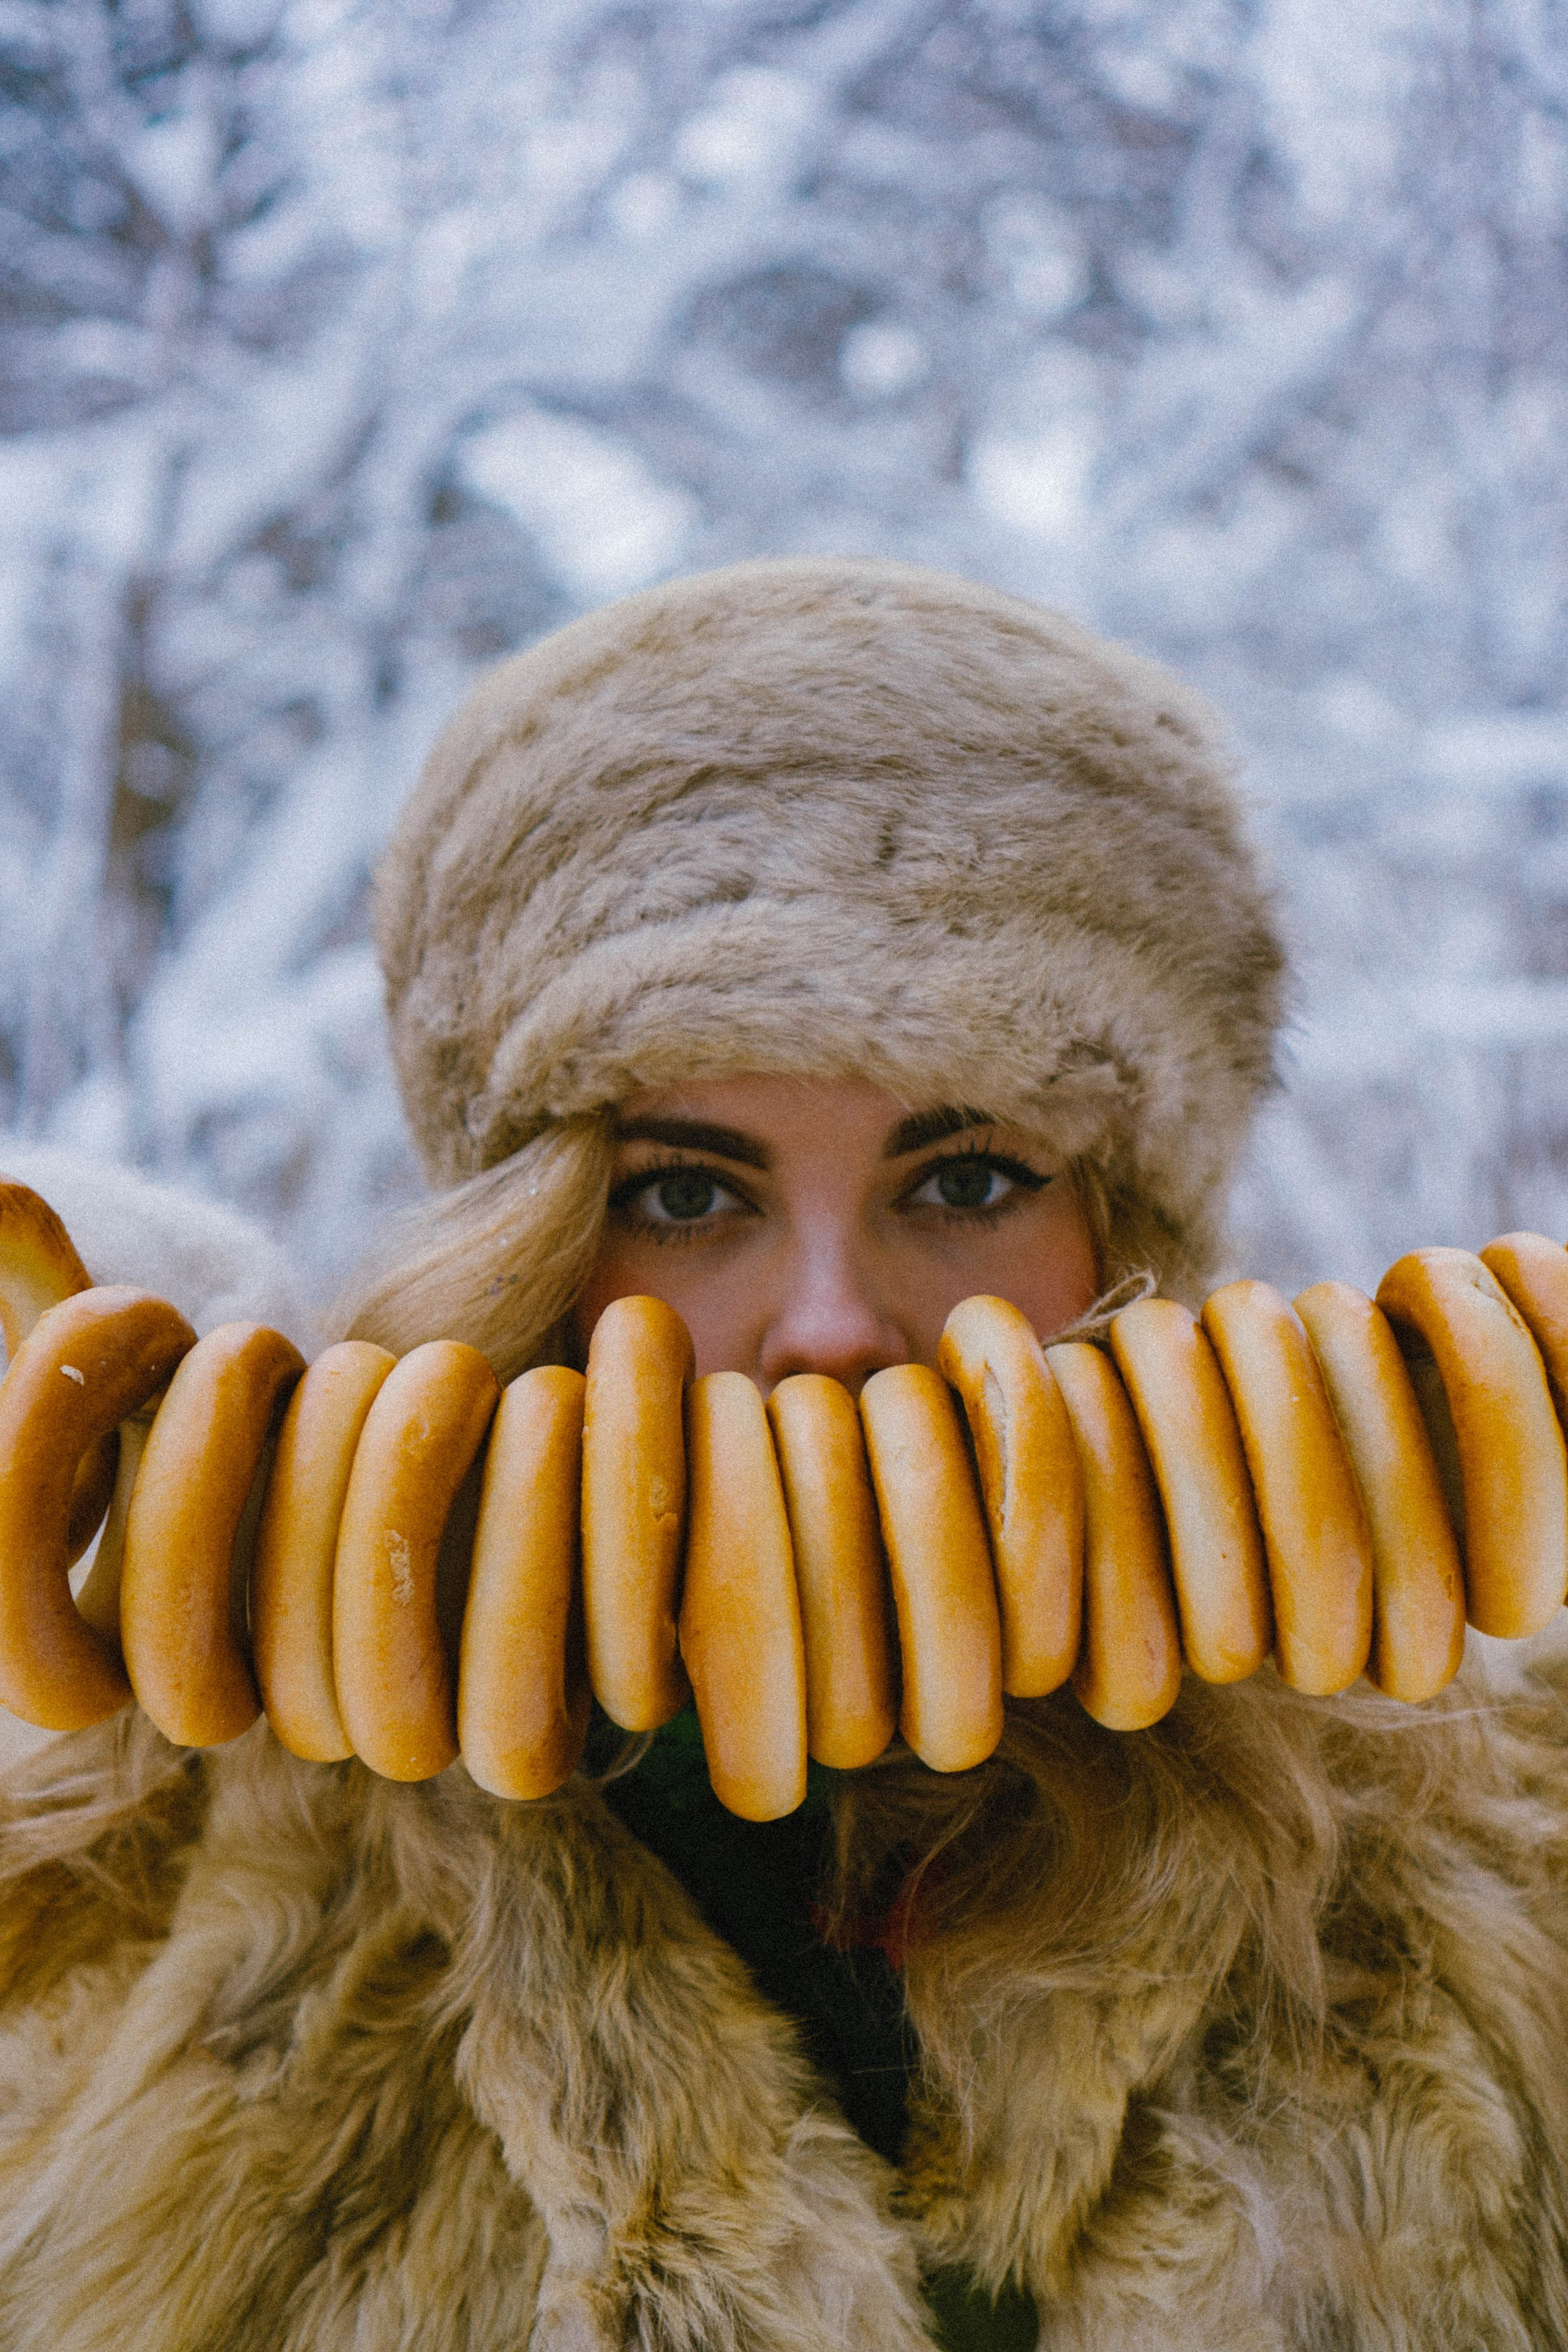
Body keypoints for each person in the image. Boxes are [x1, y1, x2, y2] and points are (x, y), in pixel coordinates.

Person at [3, 557, 1568, 2350]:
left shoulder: (1490, 1851)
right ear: (538, 1243)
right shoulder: (157, 1877)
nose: (829, 1324)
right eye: (686, 1194)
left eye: (965, 1180)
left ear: (1127, 1234)